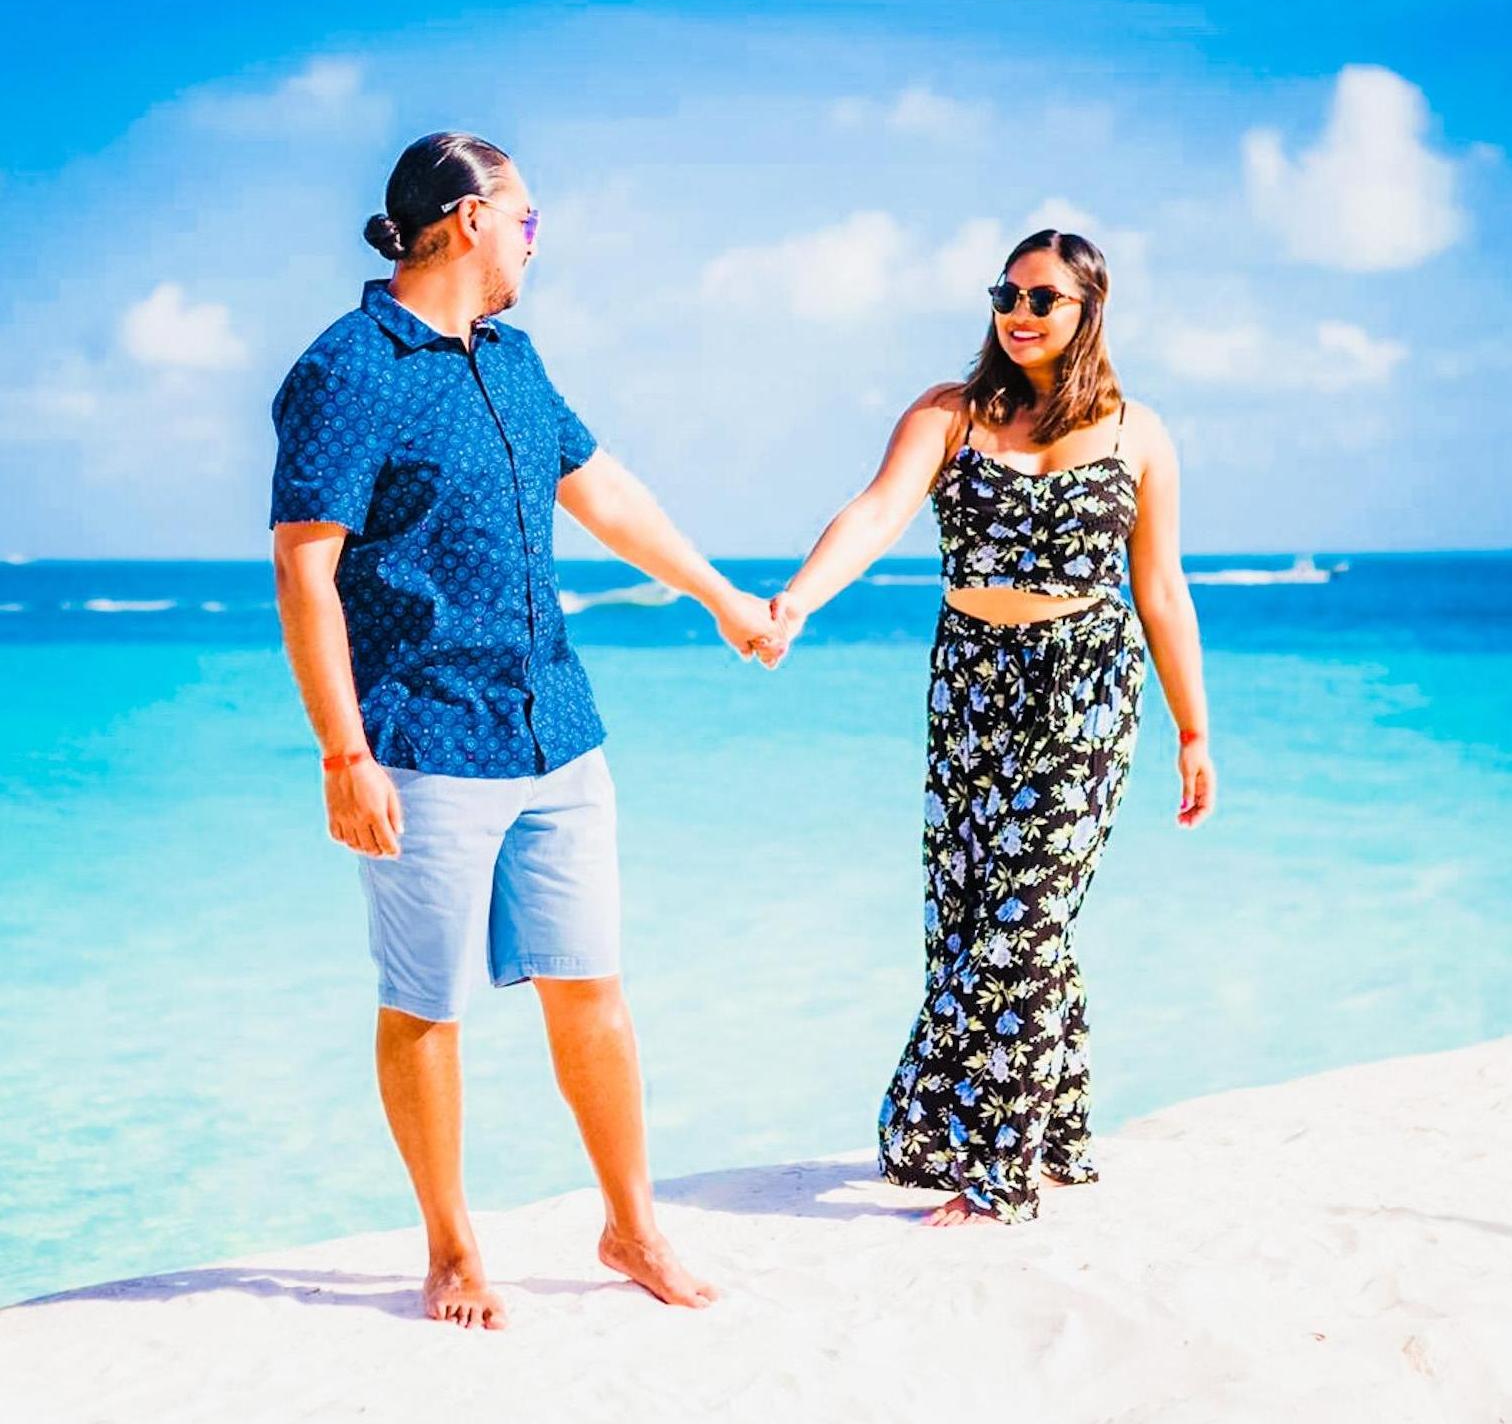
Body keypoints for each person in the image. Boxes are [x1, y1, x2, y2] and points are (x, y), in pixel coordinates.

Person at [269, 131, 779, 1329]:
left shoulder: (515, 358)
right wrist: (344, 753)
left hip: (558, 724)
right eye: (529, 220)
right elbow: (305, 573)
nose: (537, 243)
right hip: (420, 739)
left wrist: (718, 596)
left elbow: (602, 491)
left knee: (592, 985)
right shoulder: (349, 369)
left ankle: (631, 1225)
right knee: (425, 1003)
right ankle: (450, 1250)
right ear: (464, 216)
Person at [766, 229, 1216, 1225]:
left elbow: (1162, 590)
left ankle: (999, 1175)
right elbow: (877, 513)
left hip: (1089, 691)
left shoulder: (1140, 434)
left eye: (1043, 297)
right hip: (972, 688)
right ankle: (1054, 1133)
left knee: (1024, 919)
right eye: (1007, 293)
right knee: (977, 918)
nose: (1019, 311)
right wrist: (797, 601)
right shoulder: (950, 415)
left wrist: (1194, 730)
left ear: (1088, 308)